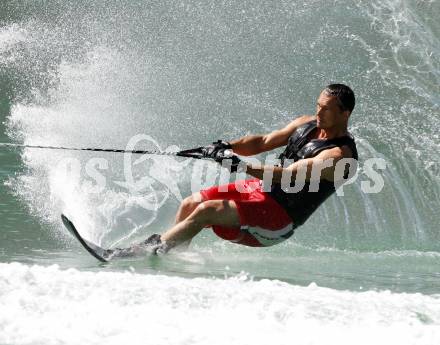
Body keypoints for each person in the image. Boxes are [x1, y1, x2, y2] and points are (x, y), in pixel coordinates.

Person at [144, 83, 358, 254]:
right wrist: (227, 146)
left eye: (326, 109)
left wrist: (240, 166)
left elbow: (288, 176)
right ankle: (171, 256)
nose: (319, 112)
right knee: (191, 203)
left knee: (207, 211)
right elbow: (263, 142)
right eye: (318, 105)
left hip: (279, 219)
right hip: (261, 191)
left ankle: (150, 251)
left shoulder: (339, 156)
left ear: (344, 114)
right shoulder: (307, 123)